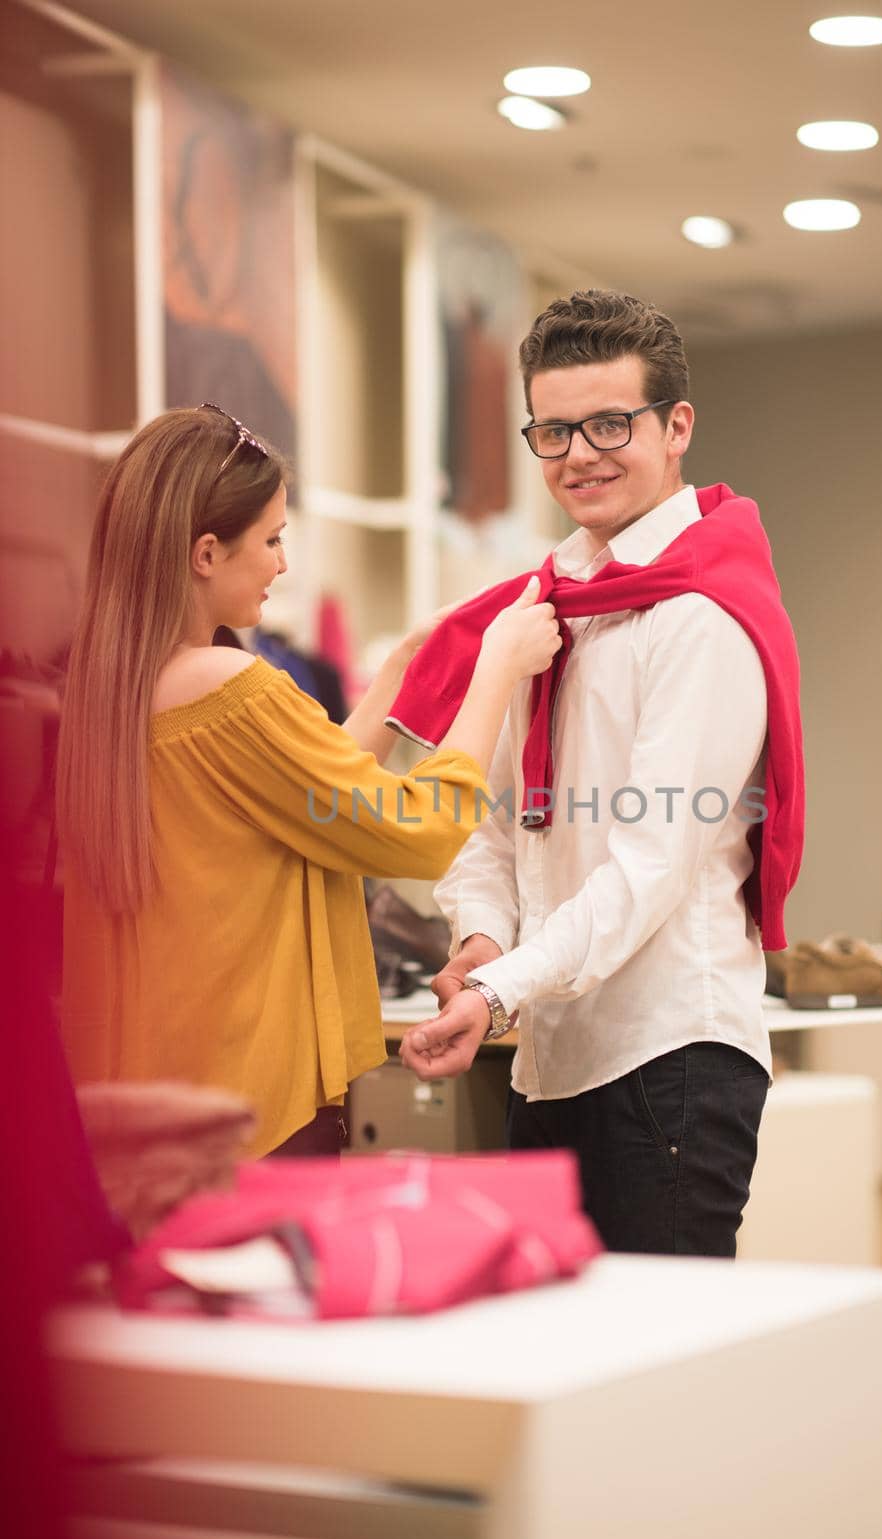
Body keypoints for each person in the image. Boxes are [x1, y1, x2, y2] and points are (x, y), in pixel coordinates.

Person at [400, 289, 803, 1256]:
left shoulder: (700, 617)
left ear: (676, 429)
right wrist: (485, 938)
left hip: (671, 1057)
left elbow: (649, 868)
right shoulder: (549, 603)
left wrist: (501, 991)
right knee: (567, 1376)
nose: (580, 453)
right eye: (553, 431)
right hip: (551, 1056)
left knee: (663, 1389)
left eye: (610, 424)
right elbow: (495, 823)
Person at [57, 404, 559, 1157]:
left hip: (157, 1097)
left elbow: (311, 793)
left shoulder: (115, 693)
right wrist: (496, 672)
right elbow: (415, 831)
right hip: (251, 1100)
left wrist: (403, 668)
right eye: (272, 539)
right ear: (204, 554)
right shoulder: (231, 687)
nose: (283, 563)